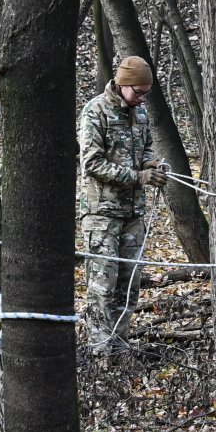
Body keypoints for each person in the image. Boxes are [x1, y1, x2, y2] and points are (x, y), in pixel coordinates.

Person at [77, 55, 165, 350]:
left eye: (146, 93)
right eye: (138, 92)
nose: (141, 99)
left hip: (132, 213)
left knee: (129, 286)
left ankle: (119, 347)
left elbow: (149, 146)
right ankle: (101, 353)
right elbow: (92, 163)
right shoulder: (95, 111)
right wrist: (138, 177)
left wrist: (153, 165)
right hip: (102, 214)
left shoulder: (140, 115)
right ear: (123, 84)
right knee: (103, 286)